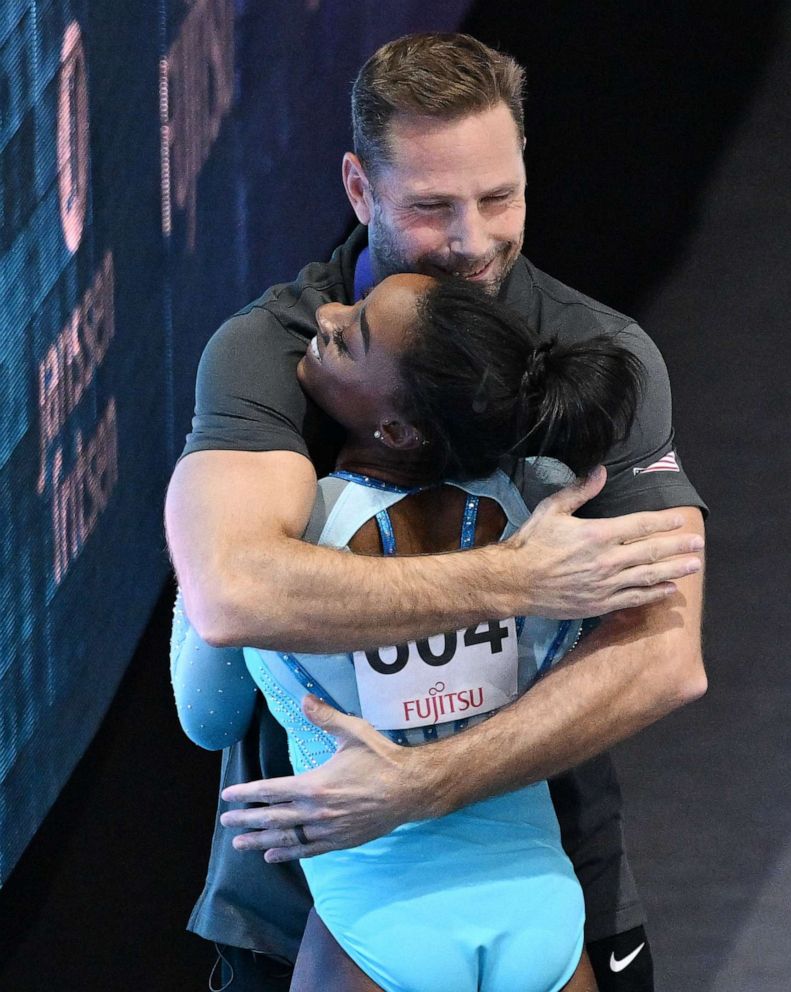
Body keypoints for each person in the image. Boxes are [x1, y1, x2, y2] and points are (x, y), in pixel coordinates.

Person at [165, 32, 706, 992]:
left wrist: (418, 786)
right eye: (430, 206)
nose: (471, 241)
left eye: (500, 197)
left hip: (554, 892)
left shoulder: (598, 358)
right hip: (302, 910)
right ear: (358, 188)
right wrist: (515, 578)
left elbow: (663, 654)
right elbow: (231, 591)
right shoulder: (279, 353)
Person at [172, 273, 648, 991]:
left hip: (375, 919)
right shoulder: (545, 502)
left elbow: (208, 721)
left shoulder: (290, 540)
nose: (324, 316)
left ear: (396, 429)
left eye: (349, 334)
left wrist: (197, 548)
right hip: (539, 903)